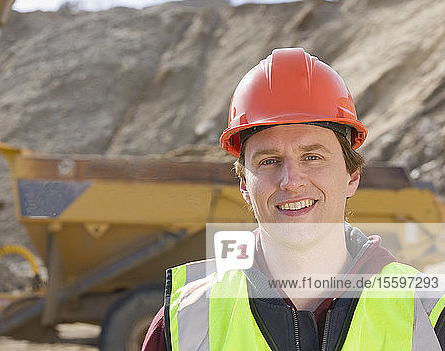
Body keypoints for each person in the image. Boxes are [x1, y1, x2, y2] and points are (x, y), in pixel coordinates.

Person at [142, 48, 445, 350]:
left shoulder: (431, 316)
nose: (291, 181)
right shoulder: (184, 324)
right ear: (245, 187)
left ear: (352, 177)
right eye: (269, 161)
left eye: (312, 157)